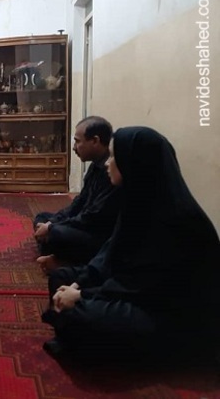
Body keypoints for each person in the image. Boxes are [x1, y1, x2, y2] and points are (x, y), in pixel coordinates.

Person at [42, 126, 220, 361]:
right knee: (61, 278)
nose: (108, 163)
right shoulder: (135, 203)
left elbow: (145, 287)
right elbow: (107, 256)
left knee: (82, 314)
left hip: (166, 313)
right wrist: (78, 284)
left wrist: (83, 295)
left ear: (135, 163)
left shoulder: (179, 220)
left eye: (114, 157)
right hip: (128, 289)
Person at [34, 116, 121, 271]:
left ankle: (64, 260)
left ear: (95, 141)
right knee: (42, 218)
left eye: (77, 141)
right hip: (82, 224)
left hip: (96, 233)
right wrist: (51, 223)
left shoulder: (112, 173)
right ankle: (57, 252)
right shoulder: (95, 166)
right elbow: (79, 202)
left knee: (56, 234)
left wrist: (53, 227)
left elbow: (94, 217)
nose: (74, 148)